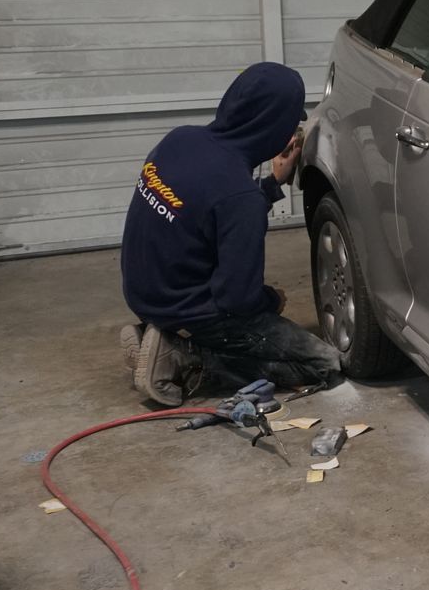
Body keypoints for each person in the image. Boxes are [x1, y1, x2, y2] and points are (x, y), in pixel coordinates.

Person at [118, 62, 341, 405]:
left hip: (144, 294)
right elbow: (237, 299)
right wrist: (271, 301)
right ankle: (187, 359)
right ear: (273, 125)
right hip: (188, 308)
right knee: (323, 364)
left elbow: (210, 209)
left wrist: (272, 184)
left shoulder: (180, 138)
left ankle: (158, 333)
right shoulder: (240, 197)